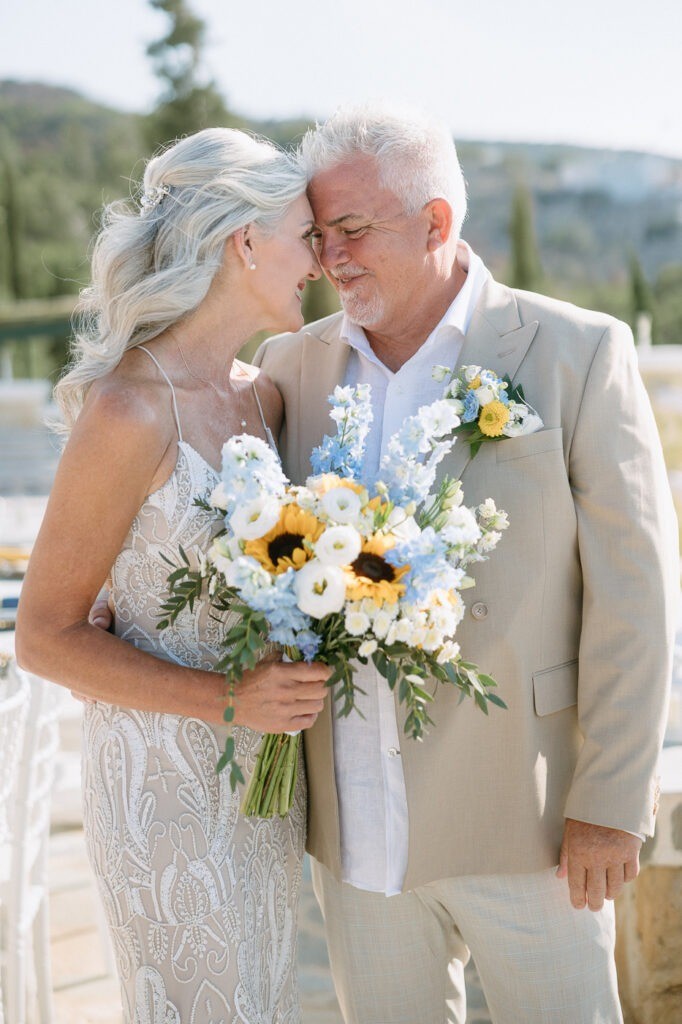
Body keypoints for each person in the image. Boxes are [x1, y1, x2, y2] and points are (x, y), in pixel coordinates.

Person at [252, 105, 679, 1024]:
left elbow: (636, 596)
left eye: (354, 230)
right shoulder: (289, 367)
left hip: (534, 820)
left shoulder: (577, 351)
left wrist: (611, 798)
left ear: (438, 222)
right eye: (320, 235)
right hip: (354, 824)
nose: (331, 258)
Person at [15, 127, 330, 1024]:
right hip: (165, 793)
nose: (318, 258)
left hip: (269, 784)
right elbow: (45, 637)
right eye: (305, 234)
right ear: (246, 243)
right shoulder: (127, 409)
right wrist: (230, 702)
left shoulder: (262, 395)